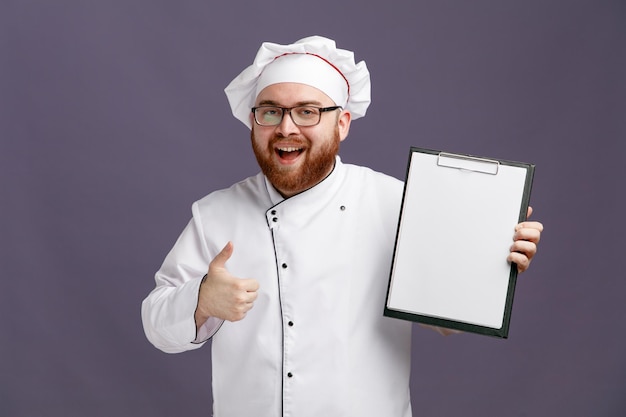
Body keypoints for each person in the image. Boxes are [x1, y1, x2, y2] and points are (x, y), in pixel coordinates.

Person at [141, 35, 543, 417]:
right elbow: (157, 325)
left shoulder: (398, 204)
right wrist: (201, 301)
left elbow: (445, 323)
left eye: (307, 111)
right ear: (254, 121)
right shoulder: (215, 213)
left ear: (343, 123)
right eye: (270, 111)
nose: (285, 127)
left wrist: (489, 263)